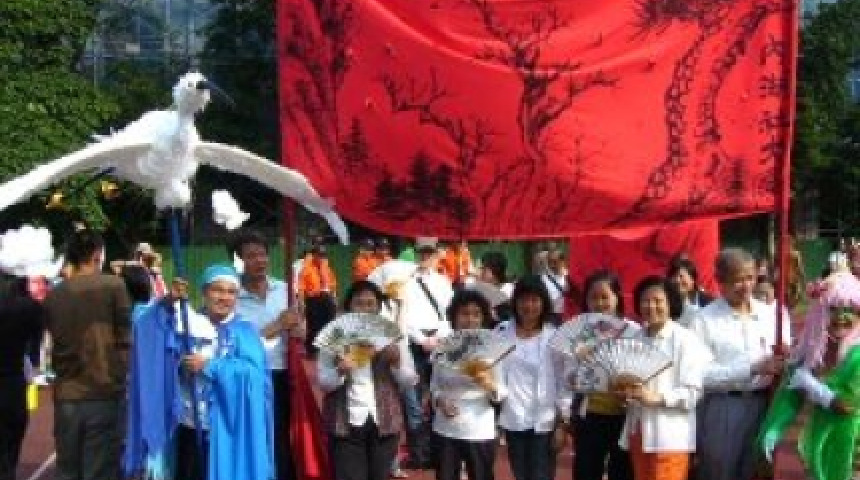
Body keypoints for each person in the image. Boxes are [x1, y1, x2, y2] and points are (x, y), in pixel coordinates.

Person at [690, 248, 789, 480]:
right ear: (721, 282)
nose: (746, 286)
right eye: (737, 280)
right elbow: (700, 375)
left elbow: (785, 355)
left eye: (750, 278)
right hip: (724, 407)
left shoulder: (770, 314)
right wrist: (752, 369)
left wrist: (785, 357)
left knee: (759, 472)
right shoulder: (704, 320)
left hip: (765, 405)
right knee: (720, 471)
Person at [44, 229, 131, 480]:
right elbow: (125, 338)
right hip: (103, 389)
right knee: (100, 468)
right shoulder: (113, 286)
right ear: (97, 254)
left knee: (67, 469)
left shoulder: (54, 294)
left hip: (67, 393)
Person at [759, 270, 860, 480]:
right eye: (833, 309)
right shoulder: (814, 349)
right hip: (820, 445)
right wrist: (775, 428)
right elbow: (791, 394)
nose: (841, 317)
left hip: (853, 449)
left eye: (850, 310)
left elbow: (847, 406)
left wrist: (812, 386)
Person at [179, 264, 274, 480]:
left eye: (231, 292)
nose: (225, 297)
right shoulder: (187, 324)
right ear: (204, 291)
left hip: (229, 426)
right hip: (190, 421)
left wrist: (211, 366)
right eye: (218, 290)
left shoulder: (245, 330)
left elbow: (255, 377)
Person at [318, 281, 416, 480]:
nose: (365, 309)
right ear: (349, 307)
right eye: (359, 303)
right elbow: (324, 382)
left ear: (379, 307)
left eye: (371, 303)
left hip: (385, 421)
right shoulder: (334, 335)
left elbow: (409, 381)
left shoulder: (392, 335)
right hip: (344, 423)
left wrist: (397, 363)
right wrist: (340, 370)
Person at [617, 276, 711, 480]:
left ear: (671, 303)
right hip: (638, 431)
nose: (651, 306)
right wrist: (626, 395)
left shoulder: (685, 340)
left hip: (669, 436)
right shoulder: (635, 339)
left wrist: (657, 397)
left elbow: (693, 393)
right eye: (645, 301)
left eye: (658, 301)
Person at [229, 230, 304, 480]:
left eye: (262, 254)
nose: (259, 261)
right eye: (251, 256)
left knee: (284, 435)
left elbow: (302, 331)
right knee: (255, 434)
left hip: (284, 373)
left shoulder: (284, 290)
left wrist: (299, 328)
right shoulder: (232, 297)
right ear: (238, 260)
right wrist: (278, 325)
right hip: (250, 376)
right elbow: (235, 344)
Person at [496, 276, 570, 480]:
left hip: (544, 422)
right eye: (523, 299)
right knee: (520, 474)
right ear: (515, 302)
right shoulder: (501, 333)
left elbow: (563, 381)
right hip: (514, 419)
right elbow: (493, 372)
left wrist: (562, 423)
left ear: (544, 302)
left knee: (541, 475)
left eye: (535, 300)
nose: (529, 306)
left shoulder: (555, 337)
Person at [431, 290, 506, 480]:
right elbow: (434, 386)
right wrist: (440, 401)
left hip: (479, 428)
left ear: (483, 318)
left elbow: (502, 391)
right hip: (445, 427)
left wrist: (488, 384)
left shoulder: (493, 348)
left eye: (476, 314)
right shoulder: (443, 347)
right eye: (464, 313)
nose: (470, 319)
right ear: (454, 317)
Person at [570, 270, 637, 480]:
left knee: (622, 472)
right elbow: (568, 377)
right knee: (586, 471)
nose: (599, 303)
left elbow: (643, 371)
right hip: (590, 416)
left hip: (624, 416)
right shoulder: (579, 333)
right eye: (593, 298)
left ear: (617, 297)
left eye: (605, 297)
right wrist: (579, 365)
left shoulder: (634, 332)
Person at [399, 237, 454, 469]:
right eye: (421, 251)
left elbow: (448, 313)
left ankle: (437, 452)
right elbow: (402, 316)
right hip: (413, 342)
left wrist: (438, 337)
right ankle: (418, 454)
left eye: (429, 252)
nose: (425, 256)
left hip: (439, 340)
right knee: (412, 400)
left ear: (436, 254)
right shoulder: (405, 281)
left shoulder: (443, 281)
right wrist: (421, 340)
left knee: (439, 395)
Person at [0, 275, 44, 480]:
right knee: (12, 439)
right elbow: (35, 346)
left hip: (13, 377)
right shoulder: (30, 308)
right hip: (13, 381)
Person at [298, 242, 338, 356]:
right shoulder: (306, 268)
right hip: (312, 300)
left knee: (329, 323)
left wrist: (334, 296)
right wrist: (301, 302)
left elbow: (333, 282)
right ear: (314, 255)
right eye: (320, 255)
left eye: (323, 255)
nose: (322, 257)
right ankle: (311, 350)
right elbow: (301, 287)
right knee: (314, 326)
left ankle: (327, 348)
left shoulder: (326, 267)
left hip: (326, 298)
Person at [666, 255, 713, 328]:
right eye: (673, 276)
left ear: (692, 279)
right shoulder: (666, 301)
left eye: (681, 276)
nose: (677, 280)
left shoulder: (708, 302)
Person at [541, 249, 569, 322]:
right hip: (551, 316)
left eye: (554, 262)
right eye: (549, 262)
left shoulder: (570, 276)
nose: (551, 265)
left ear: (562, 261)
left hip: (569, 315)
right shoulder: (543, 279)